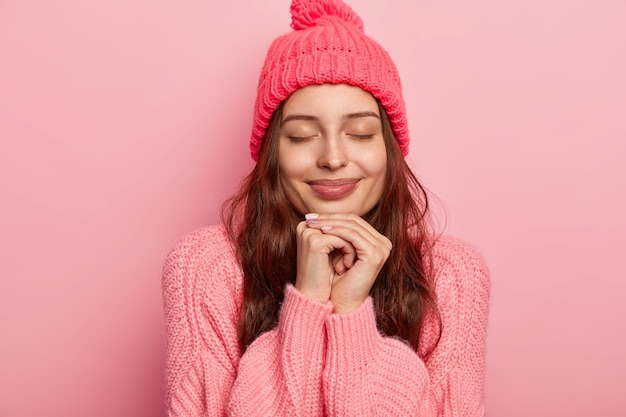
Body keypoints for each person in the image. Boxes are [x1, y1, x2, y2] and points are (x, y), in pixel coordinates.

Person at [162, 0, 490, 415]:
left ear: (389, 150)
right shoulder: (205, 267)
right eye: (301, 136)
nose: (333, 157)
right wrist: (308, 301)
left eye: (360, 132)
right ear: (271, 153)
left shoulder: (451, 274)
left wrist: (351, 313)